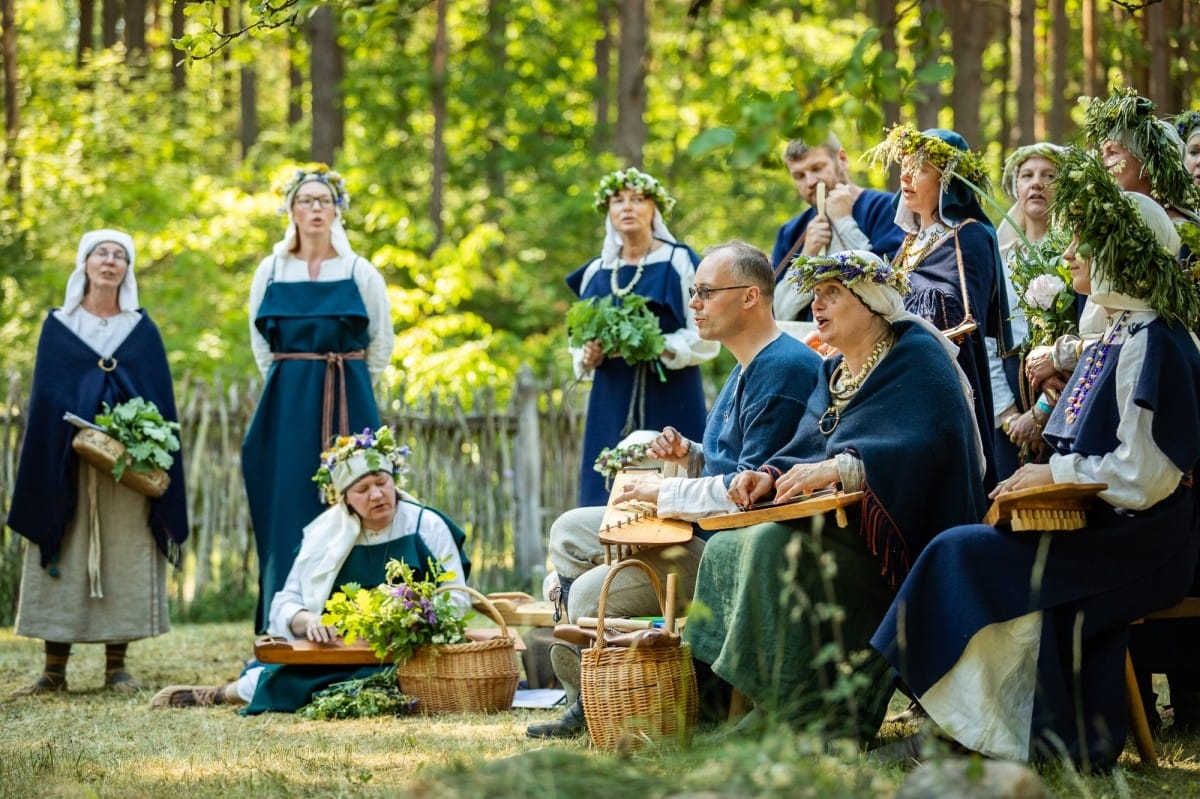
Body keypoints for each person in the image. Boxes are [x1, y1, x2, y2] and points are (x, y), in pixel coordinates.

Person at [870, 151, 1200, 771]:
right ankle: (961, 723)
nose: (1070, 252)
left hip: (1141, 541)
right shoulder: (1120, 331)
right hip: (1098, 524)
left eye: (1085, 241)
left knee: (964, 555)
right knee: (959, 549)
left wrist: (1055, 475)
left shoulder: (1155, 342)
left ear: (1121, 252)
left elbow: (1147, 477)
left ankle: (984, 732)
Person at [527, 240, 824, 739]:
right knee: (569, 532)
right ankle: (605, 686)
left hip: (729, 550)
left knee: (582, 591)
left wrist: (659, 497)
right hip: (698, 531)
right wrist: (689, 453)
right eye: (694, 292)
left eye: (706, 292)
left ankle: (627, 693)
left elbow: (749, 491)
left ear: (750, 296)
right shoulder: (744, 366)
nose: (693, 305)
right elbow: (733, 462)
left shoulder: (785, 368)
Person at [686, 250, 987, 741]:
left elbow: (932, 445)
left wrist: (846, 467)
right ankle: (761, 701)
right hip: (841, 530)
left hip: (902, 543)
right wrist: (766, 474)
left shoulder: (915, 354)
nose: (818, 306)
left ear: (870, 301)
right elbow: (806, 446)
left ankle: (811, 716)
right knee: (724, 547)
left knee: (769, 547)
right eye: (816, 294)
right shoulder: (835, 373)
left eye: (833, 294)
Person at [151, 426, 470, 712]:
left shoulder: (426, 525)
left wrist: (415, 612)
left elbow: (458, 599)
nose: (376, 494)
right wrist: (309, 621)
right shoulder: (324, 534)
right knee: (290, 678)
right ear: (344, 499)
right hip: (342, 652)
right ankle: (222, 694)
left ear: (393, 481)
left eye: (381, 482)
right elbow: (285, 602)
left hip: (410, 652)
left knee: (404, 682)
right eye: (362, 490)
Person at [8, 229, 189, 696]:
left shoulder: (141, 330)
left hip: (124, 470)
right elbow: (48, 396)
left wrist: (130, 429)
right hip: (65, 466)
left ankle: (117, 667)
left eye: (119, 256)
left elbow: (156, 399)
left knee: (125, 553)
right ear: (84, 264)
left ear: (127, 270)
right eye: (100, 253)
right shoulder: (59, 326)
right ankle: (53, 670)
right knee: (62, 550)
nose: (109, 262)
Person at [242, 164, 394, 633]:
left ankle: (359, 621)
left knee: (355, 499)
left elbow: (380, 345)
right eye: (305, 201)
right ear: (291, 210)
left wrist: (346, 382)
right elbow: (261, 345)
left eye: (323, 201)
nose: (314, 209)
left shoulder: (357, 270)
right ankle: (286, 620)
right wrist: (296, 382)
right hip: (287, 405)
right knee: (285, 503)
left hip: (348, 398)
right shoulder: (271, 270)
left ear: (336, 211)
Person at [867, 125, 1010, 492]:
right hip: (901, 376)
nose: (905, 175)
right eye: (904, 165)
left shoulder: (970, 235)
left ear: (949, 178)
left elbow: (965, 315)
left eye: (921, 167)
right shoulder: (910, 242)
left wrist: (898, 300)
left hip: (948, 374)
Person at [567, 168, 719, 507]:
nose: (627, 208)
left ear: (655, 208)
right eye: (618, 201)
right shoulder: (596, 271)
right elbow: (576, 341)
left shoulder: (677, 260)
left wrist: (658, 345)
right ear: (608, 211)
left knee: (676, 477)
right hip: (611, 399)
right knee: (607, 491)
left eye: (638, 199)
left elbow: (706, 333)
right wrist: (587, 356)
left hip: (671, 394)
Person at [770, 133, 906, 321]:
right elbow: (778, 313)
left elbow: (890, 290)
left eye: (817, 168)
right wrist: (807, 254)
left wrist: (844, 222)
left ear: (842, 160)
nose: (810, 182)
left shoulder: (887, 208)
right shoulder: (790, 231)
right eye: (799, 176)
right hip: (809, 346)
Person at [992, 143, 1066, 478]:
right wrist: (1010, 418)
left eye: (1049, 175)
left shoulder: (1075, 257)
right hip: (1008, 389)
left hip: (1065, 389)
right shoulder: (999, 259)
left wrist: (1042, 411)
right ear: (1016, 187)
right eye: (1028, 175)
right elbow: (988, 338)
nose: (1037, 183)